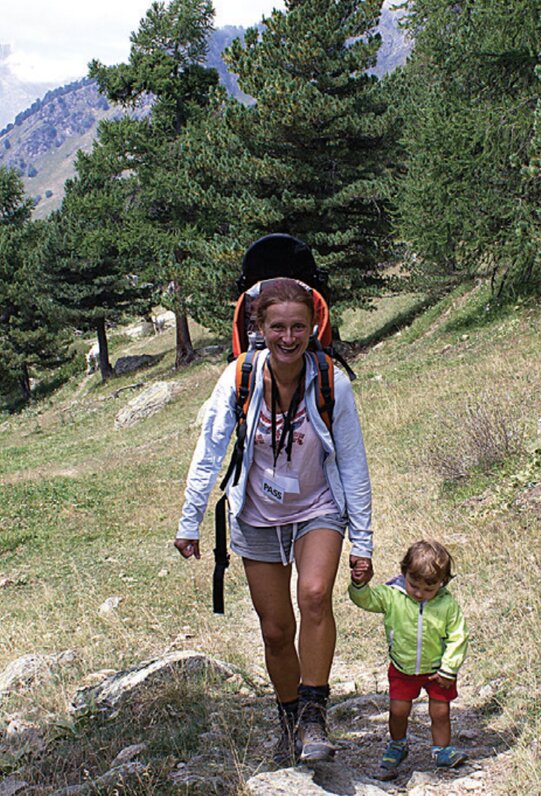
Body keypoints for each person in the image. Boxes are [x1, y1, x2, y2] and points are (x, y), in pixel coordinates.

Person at [175, 275, 373, 764]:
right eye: (278, 327)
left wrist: (363, 541)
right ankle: (289, 721)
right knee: (276, 631)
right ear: (260, 327)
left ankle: (313, 715)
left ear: (313, 327)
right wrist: (190, 519)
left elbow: (353, 463)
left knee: (314, 595)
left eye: (298, 327)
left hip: (317, 508)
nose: (289, 338)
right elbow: (209, 452)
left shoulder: (331, 381)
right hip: (257, 515)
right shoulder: (239, 378)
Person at [348, 539, 469, 775]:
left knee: (441, 711)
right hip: (403, 668)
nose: (420, 593)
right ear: (404, 573)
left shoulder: (447, 604)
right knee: (399, 710)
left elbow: (458, 636)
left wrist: (449, 668)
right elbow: (366, 600)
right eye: (414, 585)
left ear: (442, 583)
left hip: (437, 670)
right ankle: (398, 744)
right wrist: (359, 585)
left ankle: (442, 750)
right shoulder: (392, 595)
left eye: (429, 589)